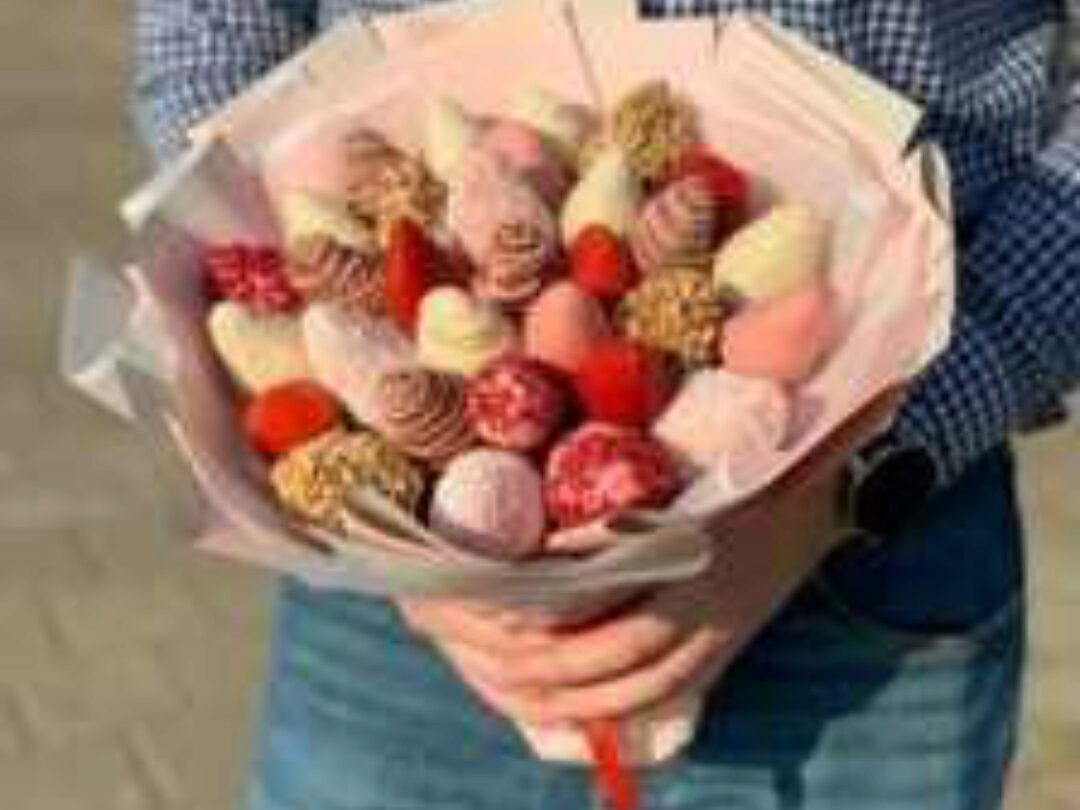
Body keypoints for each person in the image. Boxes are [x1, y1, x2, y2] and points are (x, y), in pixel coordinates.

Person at [135, 1, 1080, 808]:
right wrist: (394, 532)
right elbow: (211, 33)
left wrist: (851, 473)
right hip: (402, 596)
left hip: (863, 559)